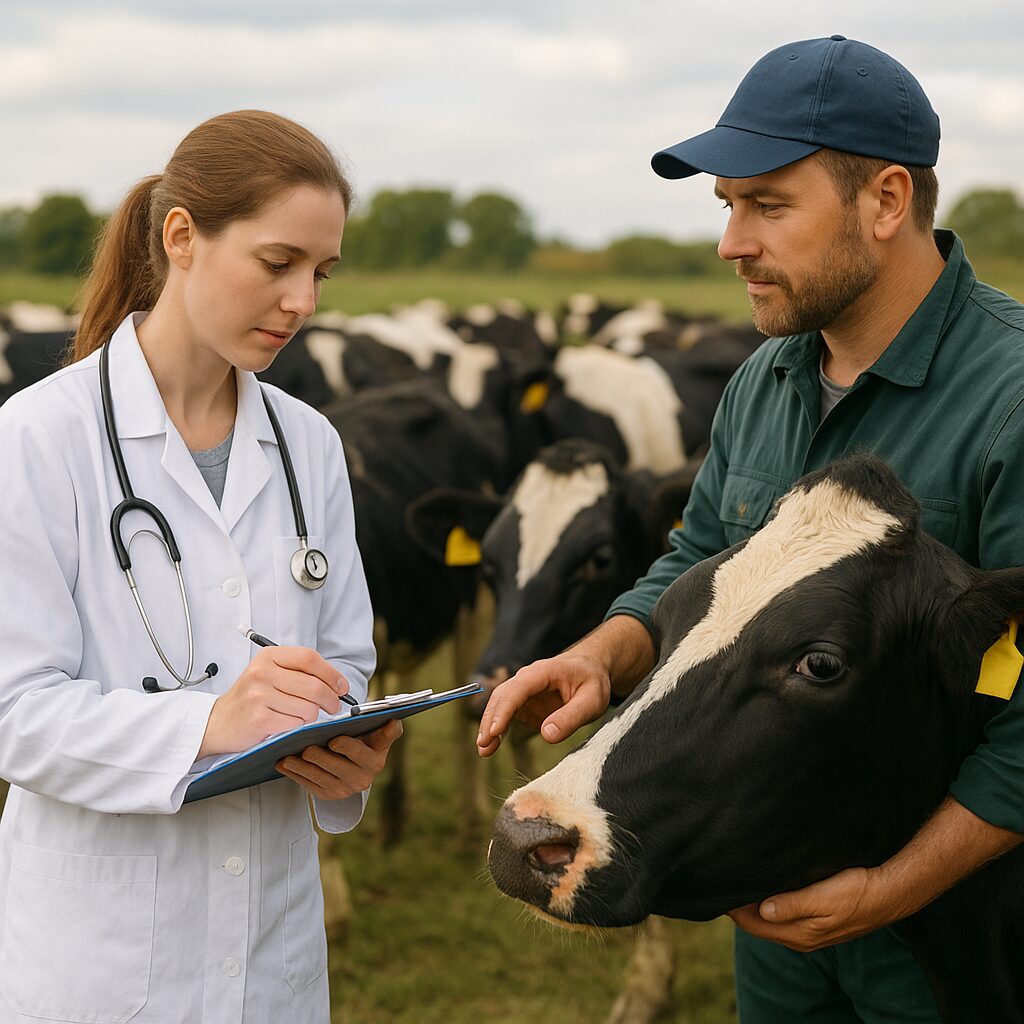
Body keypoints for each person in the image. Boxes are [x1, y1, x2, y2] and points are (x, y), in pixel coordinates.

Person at [478, 35, 1024, 1023]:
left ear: (886, 201)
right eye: (726, 205)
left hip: (961, 945)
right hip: (769, 924)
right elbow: (700, 561)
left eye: (768, 204)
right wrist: (607, 650)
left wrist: (888, 893)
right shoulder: (761, 382)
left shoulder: (1012, 398)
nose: (731, 242)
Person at [0, 110, 402, 1023]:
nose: (304, 300)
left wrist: (345, 746)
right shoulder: (38, 437)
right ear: (181, 236)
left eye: (321, 272)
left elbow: (346, 661)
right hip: (96, 965)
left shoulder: (310, 445)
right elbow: (13, 712)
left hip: (273, 950)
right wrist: (210, 724)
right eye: (277, 263)